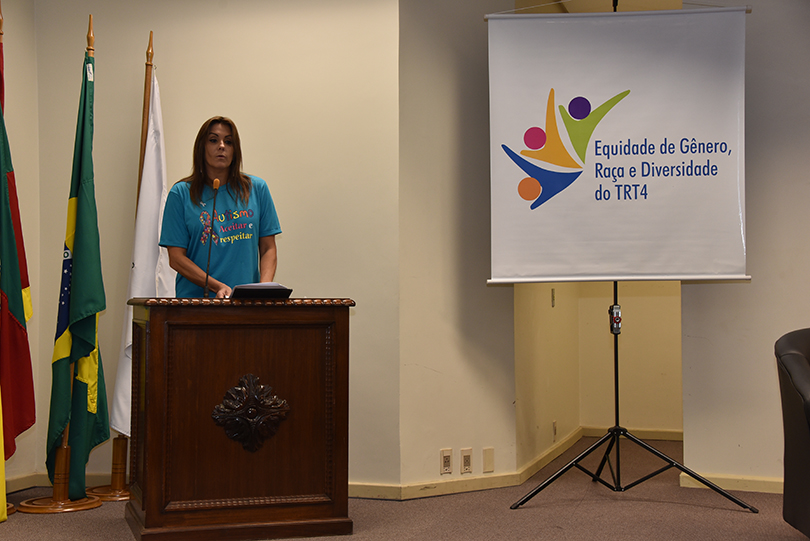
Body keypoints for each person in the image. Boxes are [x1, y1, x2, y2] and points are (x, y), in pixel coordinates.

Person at [159, 116, 281, 298]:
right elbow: (176, 258)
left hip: (246, 305)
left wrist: (263, 290)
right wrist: (217, 286)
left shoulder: (256, 189)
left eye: (229, 142)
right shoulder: (181, 194)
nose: (222, 146)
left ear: (235, 150)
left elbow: (268, 248)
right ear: (202, 147)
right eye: (213, 140)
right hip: (196, 305)